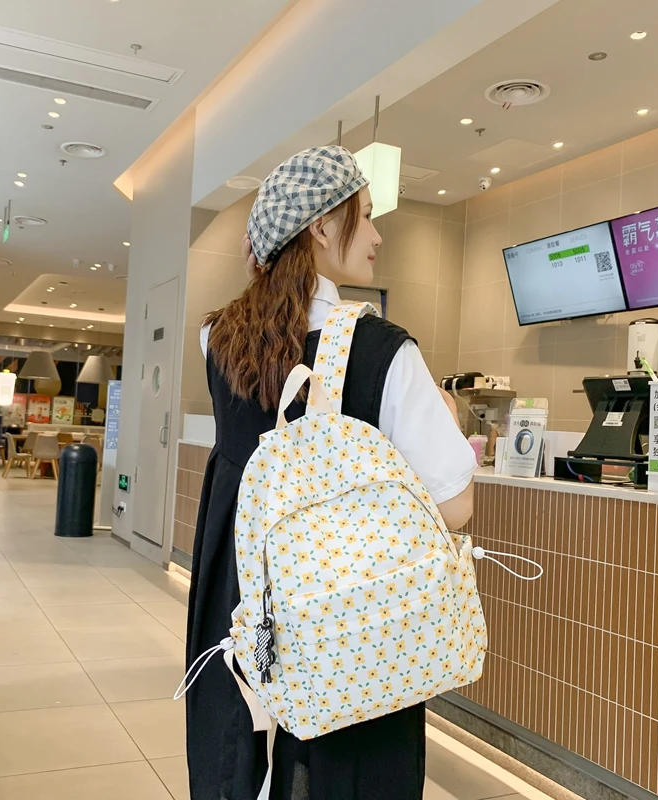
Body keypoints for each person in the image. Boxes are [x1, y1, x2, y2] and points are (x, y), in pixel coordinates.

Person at [186, 146, 477, 800]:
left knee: (237, 758)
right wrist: (448, 423)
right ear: (320, 226)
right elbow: (454, 507)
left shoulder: (217, 340)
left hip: (242, 607)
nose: (376, 235)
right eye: (365, 215)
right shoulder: (384, 351)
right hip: (347, 630)